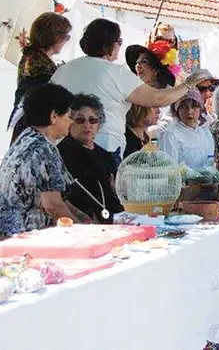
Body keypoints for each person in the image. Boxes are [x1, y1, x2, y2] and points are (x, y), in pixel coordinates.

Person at [51, 19, 201, 160]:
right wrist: (188, 84)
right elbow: (159, 98)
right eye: (119, 42)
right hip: (103, 149)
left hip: (62, 148)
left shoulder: (63, 70)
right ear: (110, 45)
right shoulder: (116, 72)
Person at [0, 83, 79, 237]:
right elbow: (53, 205)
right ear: (54, 116)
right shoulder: (43, 149)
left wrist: (82, 218)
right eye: (69, 116)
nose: (72, 122)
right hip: (25, 237)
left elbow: (55, 197)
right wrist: (84, 233)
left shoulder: (24, 139)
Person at [57, 94, 124, 223]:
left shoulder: (105, 155)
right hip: (82, 221)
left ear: (99, 124)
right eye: (80, 120)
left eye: (93, 120)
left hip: (113, 218)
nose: (87, 125)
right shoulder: (61, 153)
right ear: (70, 123)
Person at [8, 12, 72, 144]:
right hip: (34, 124)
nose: (66, 41)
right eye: (66, 37)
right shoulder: (38, 63)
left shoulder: (33, 56)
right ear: (55, 37)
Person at [159, 89, 215, 172]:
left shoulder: (205, 132)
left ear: (200, 109)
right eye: (184, 107)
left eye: (194, 106)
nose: (189, 111)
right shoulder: (171, 134)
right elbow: (170, 169)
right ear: (177, 110)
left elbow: (210, 160)